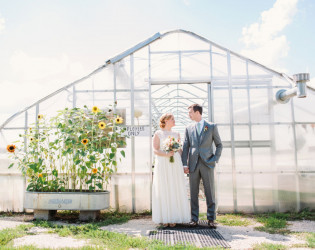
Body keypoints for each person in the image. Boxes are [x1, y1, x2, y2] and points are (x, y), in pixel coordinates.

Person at [182, 104, 223, 228]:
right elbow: (185, 147)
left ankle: (211, 219)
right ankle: (194, 219)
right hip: (193, 164)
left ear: (197, 112)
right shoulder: (188, 128)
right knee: (193, 193)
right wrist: (185, 164)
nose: (189, 115)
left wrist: (215, 159)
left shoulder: (211, 126)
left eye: (190, 112)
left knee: (209, 191)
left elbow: (219, 144)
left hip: (207, 163)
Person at [152, 113, 191, 227]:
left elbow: (179, 150)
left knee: (175, 187)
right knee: (164, 188)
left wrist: (184, 164)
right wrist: (166, 154)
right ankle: (165, 217)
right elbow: (155, 150)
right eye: (172, 119)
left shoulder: (176, 134)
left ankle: (174, 216)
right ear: (165, 120)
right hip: (163, 164)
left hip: (175, 164)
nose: (174, 120)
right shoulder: (158, 133)